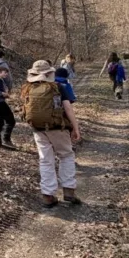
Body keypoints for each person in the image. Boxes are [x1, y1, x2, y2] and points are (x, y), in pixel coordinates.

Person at [21, 60, 82, 208]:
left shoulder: (27, 88)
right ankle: (68, 191)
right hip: (58, 128)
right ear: (49, 74)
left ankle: (48, 196)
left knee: (45, 160)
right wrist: (75, 128)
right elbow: (68, 108)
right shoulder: (58, 87)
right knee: (66, 155)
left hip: (38, 129)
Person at [0, 65, 18, 150]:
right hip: (0, 104)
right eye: (5, 72)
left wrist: (5, 95)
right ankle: (6, 139)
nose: (7, 74)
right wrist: (2, 94)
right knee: (11, 121)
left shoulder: (0, 80)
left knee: (0, 122)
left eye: (7, 72)